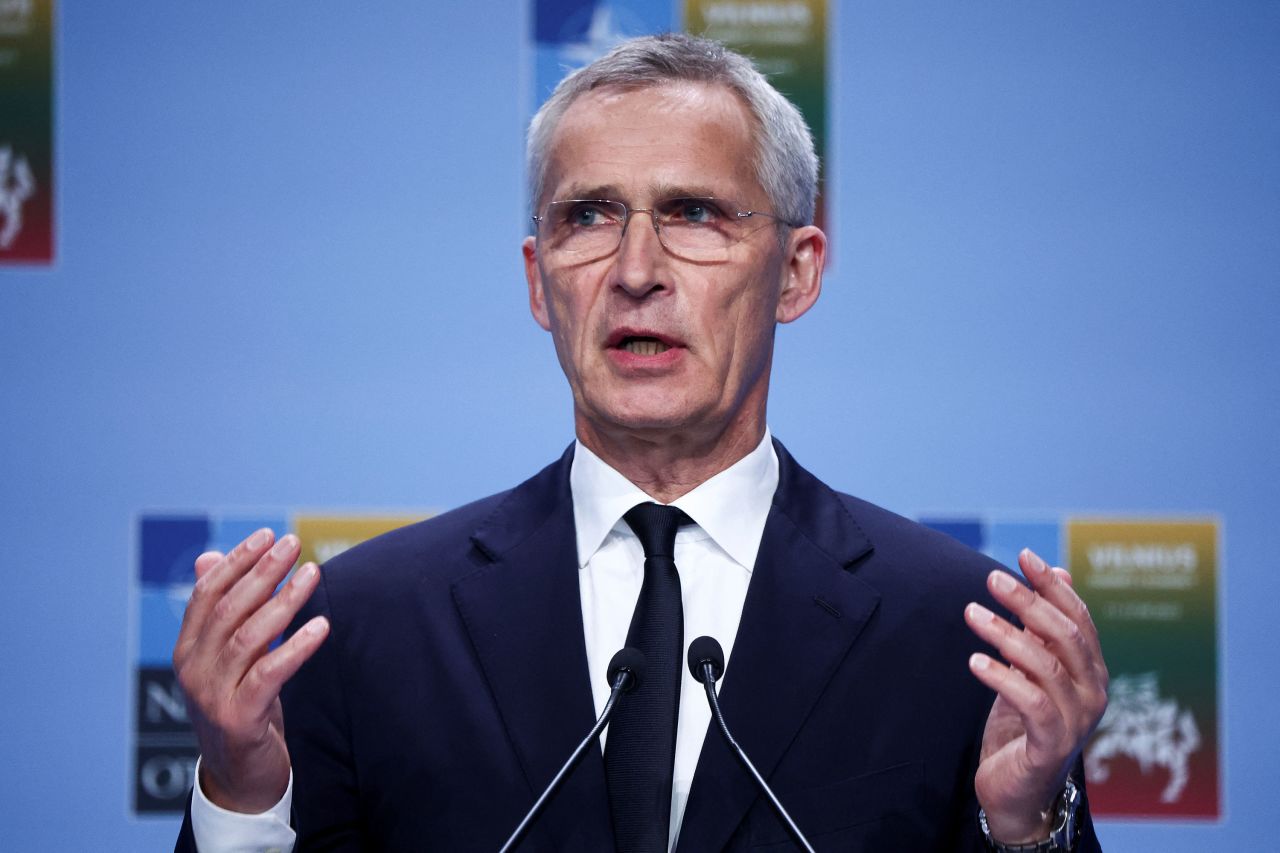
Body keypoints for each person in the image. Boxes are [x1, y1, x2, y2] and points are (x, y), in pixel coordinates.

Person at [174, 33, 1108, 852]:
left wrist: (1025, 831)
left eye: (695, 213)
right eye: (589, 217)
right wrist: (244, 796)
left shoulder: (959, 636)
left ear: (797, 272)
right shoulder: (363, 629)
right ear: (541, 286)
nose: (635, 270)